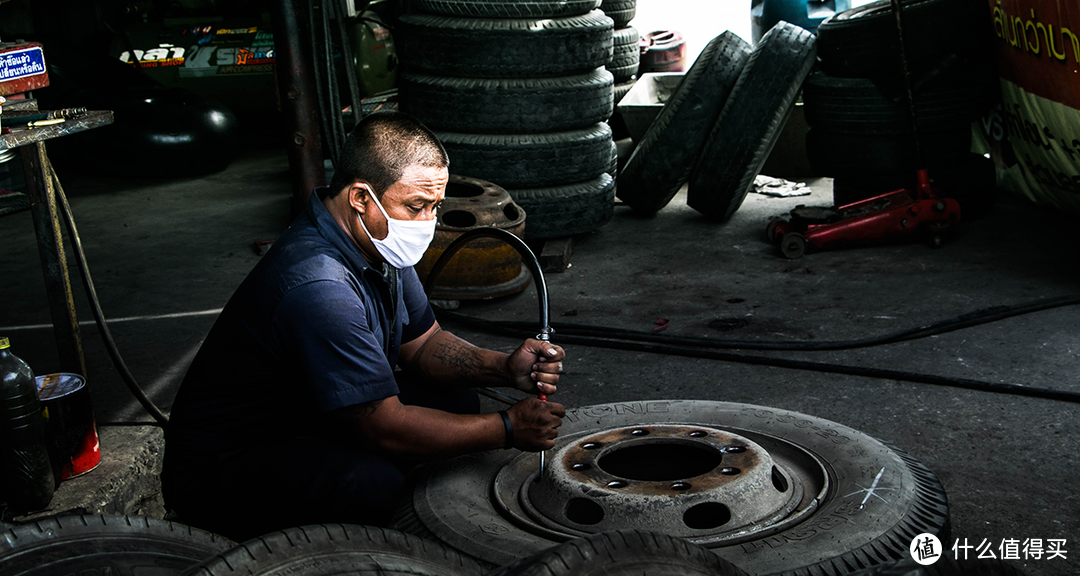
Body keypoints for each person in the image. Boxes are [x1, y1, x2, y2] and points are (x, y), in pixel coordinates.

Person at [162, 112, 566, 541]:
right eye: (415, 206)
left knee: (457, 398)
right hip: (226, 469)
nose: (427, 221)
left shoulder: (377, 241)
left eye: (435, 205)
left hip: (302, 415)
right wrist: (507, 428)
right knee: (370, 483)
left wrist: (505, 367)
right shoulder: (319, 287)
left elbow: (424, 343)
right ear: (360, 198)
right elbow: (384, 427)